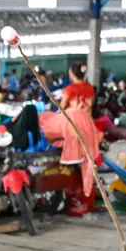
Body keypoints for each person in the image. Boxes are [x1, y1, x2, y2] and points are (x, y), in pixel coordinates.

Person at [56, 62, 102, 205]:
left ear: (72, 74)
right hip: (88, 125)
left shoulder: (69, 89)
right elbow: (90, 107)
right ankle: (87, 192)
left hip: (73, 126)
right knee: (87, 159)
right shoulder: (90, 88)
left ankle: (72, 191)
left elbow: (62, 108)